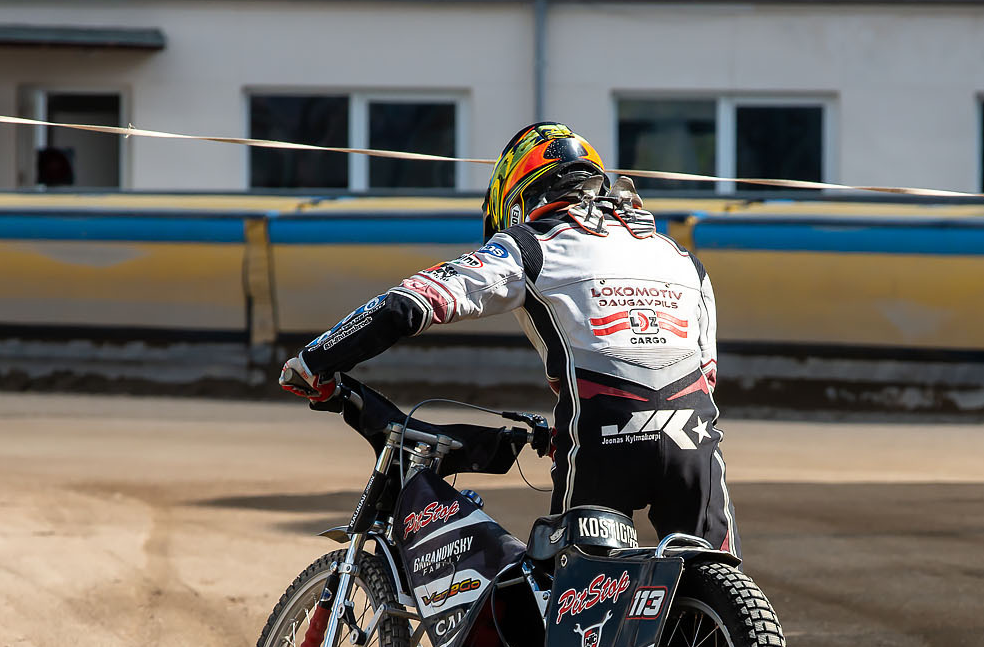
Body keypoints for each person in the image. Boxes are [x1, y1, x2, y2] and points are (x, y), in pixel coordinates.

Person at [279, 122, 735, 551]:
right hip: (693, 442)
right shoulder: (683, 259)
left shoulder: (531, 244)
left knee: (578, 615)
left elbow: (413, 301)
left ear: (514, 200)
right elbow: (706, 376)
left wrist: (317, 359)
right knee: (720, 597)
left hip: (601, 443)